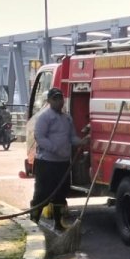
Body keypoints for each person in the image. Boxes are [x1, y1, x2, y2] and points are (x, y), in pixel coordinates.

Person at [29, 88, 88, 229]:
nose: (59, 101)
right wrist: (54, 148)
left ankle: (58, 223)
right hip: (46, 162)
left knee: (61, 193)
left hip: (62, 163)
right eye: (55, 99)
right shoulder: (44, 117)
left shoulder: (67, 118)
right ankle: (33, 222)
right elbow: (39, 137)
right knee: (42, 193)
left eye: (60, 98)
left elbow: (71, 137)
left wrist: (81, 141)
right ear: (49, 101)